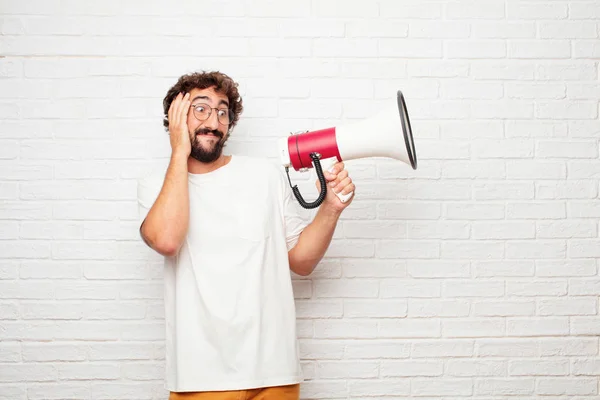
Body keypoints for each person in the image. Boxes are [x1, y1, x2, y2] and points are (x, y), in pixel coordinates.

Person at [137, 70, 355, 400]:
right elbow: (167, 239)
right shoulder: (157, 185)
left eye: (222, 111)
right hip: (199, 379)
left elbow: (302, 261)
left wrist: (330, 209)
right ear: (176, 116)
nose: (213, 121)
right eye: (200, 109)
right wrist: (179, 150)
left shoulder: (265, 175)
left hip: (275, 373)